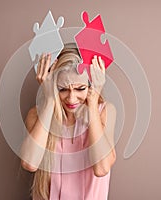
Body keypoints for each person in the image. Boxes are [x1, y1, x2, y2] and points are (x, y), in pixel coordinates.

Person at [20, 44, 116, 200]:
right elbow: (30, 164)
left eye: (80, 88)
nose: (71, 99)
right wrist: (50, 99)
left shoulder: (105, 112)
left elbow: (101, 168)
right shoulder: (37, 115)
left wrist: (92, 102)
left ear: (91, 85)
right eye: (62, 89)